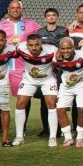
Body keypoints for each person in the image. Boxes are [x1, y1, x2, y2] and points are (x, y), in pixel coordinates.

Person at [0, 0, 40, 135]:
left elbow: (44, 35)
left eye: (18, 8)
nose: (15, 10)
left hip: (22, 68)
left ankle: (22, 127)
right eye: (12, 8)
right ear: (8, 10)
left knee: (25, 96)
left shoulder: (31, 25)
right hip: (3, 67)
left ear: (22, 10)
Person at [12, 34, 59, 146]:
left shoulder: (52, 50)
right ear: (26, 45)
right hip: (29, 80)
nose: (33, 48)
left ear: (41, 43)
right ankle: (19, 136)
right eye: (31, 45)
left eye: (36, 45)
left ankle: (52, 137)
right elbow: (12, 53)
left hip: (48, 80)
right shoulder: (21, 47)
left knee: (51, 104)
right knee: (20, 104)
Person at [34, 8, 68, 138]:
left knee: (58, 100)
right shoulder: (40, 32)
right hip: (44, 70)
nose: (51, 17)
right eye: (49, 15)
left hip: (59, 70)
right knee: (44, 100)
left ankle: (59, 128)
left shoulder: (63, 31)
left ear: (57, 17)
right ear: (45, 18)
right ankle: (46, 128)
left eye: (54, 15)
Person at [53, 37, 83, 148]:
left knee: (82, 109)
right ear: (59, 49)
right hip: (66, 87)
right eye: (63, 49)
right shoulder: (56, 60)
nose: (66, 51)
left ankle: (80, 138)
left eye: (68, 48)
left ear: (73, 48)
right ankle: (68, 137)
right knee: (60, 110)